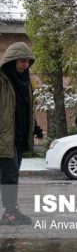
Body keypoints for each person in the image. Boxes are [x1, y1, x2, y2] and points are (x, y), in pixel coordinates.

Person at [0, 42, 36, 225]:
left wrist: (35, 126)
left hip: (20, 136)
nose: (25, 65)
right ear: (12, 61)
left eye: (28, 61)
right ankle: (10, 212)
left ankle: (11, 210)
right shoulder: (2, 80)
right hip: (5, 136)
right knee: (10, 174)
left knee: (10, 175)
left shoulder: (25, 81)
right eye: (22, 61)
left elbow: (26, 108)